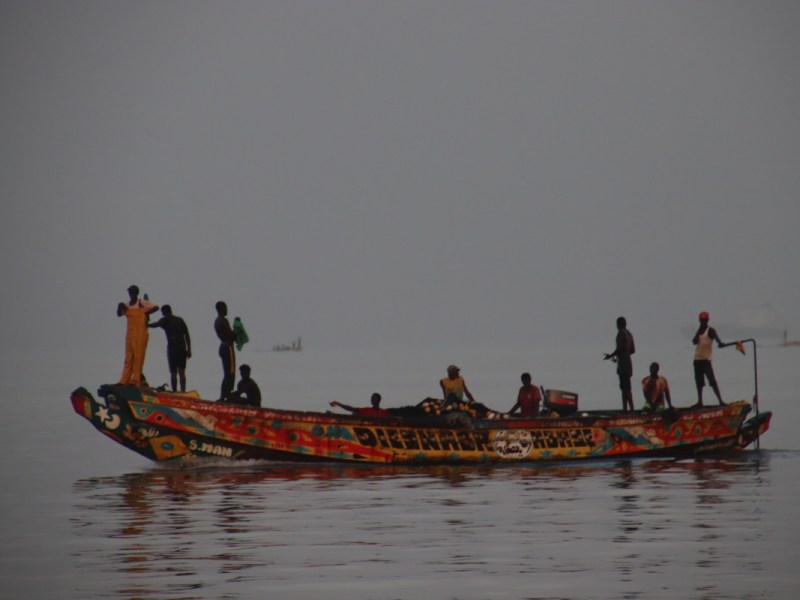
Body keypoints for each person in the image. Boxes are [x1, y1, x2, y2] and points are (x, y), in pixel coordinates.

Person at [117, 285, 158, 386]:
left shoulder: (141, 302)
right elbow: (119, 314)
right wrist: (119, 306)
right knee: (128, 358)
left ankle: (135, 381)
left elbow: (156, 307)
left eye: (132, 292)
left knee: (138, 357)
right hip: (130, 334)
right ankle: (123, 381)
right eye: (130, 292)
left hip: (140, 333)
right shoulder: (126, 305)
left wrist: (145, 313)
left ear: (136, 293)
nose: (130, 294)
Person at [148, 304, 192, 392]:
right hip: (182, 348)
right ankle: (183, 391)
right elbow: (187, 335)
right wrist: (189, 349)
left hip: (172, 349)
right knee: (182, 372)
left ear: (164, 312)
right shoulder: (180, 320)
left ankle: (175, 391)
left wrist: (146, 324)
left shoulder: (165, 320)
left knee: (173, 373)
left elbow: (155, 325)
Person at [692, 311, 726, 407]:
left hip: (706, 360)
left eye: (705, 320)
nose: (703, 322)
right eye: (702, 320)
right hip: (697, 360)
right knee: (699, 382)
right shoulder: (699, 331)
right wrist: (698, 333)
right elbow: (694, 342)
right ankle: (700, 402)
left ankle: (720, 401)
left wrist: (720, 343)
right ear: (700, 321)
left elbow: (717, 339)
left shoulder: (711, 330)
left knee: (712, 381)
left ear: (707, 320)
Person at [604, 316, 636, 411]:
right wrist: (623, 355)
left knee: (625, 388)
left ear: (618, 324)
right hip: (628, 363)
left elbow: (620, 348)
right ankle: (626, 408)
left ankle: (630, 409)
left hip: (623, 365)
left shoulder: (621, 333)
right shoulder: (629, 334)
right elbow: (633, 350)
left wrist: (611, 356)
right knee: (625, 387)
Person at [215, 301, 236, 401]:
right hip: (228, 347)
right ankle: (225, 395)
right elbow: (231, 335)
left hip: (222, 346)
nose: (227, 310)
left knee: (226, 373)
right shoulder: (224, 320)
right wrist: (236, 332)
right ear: (222, 309)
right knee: (230, 373)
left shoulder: (216, 321)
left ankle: (224, 395)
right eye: (226, 308)